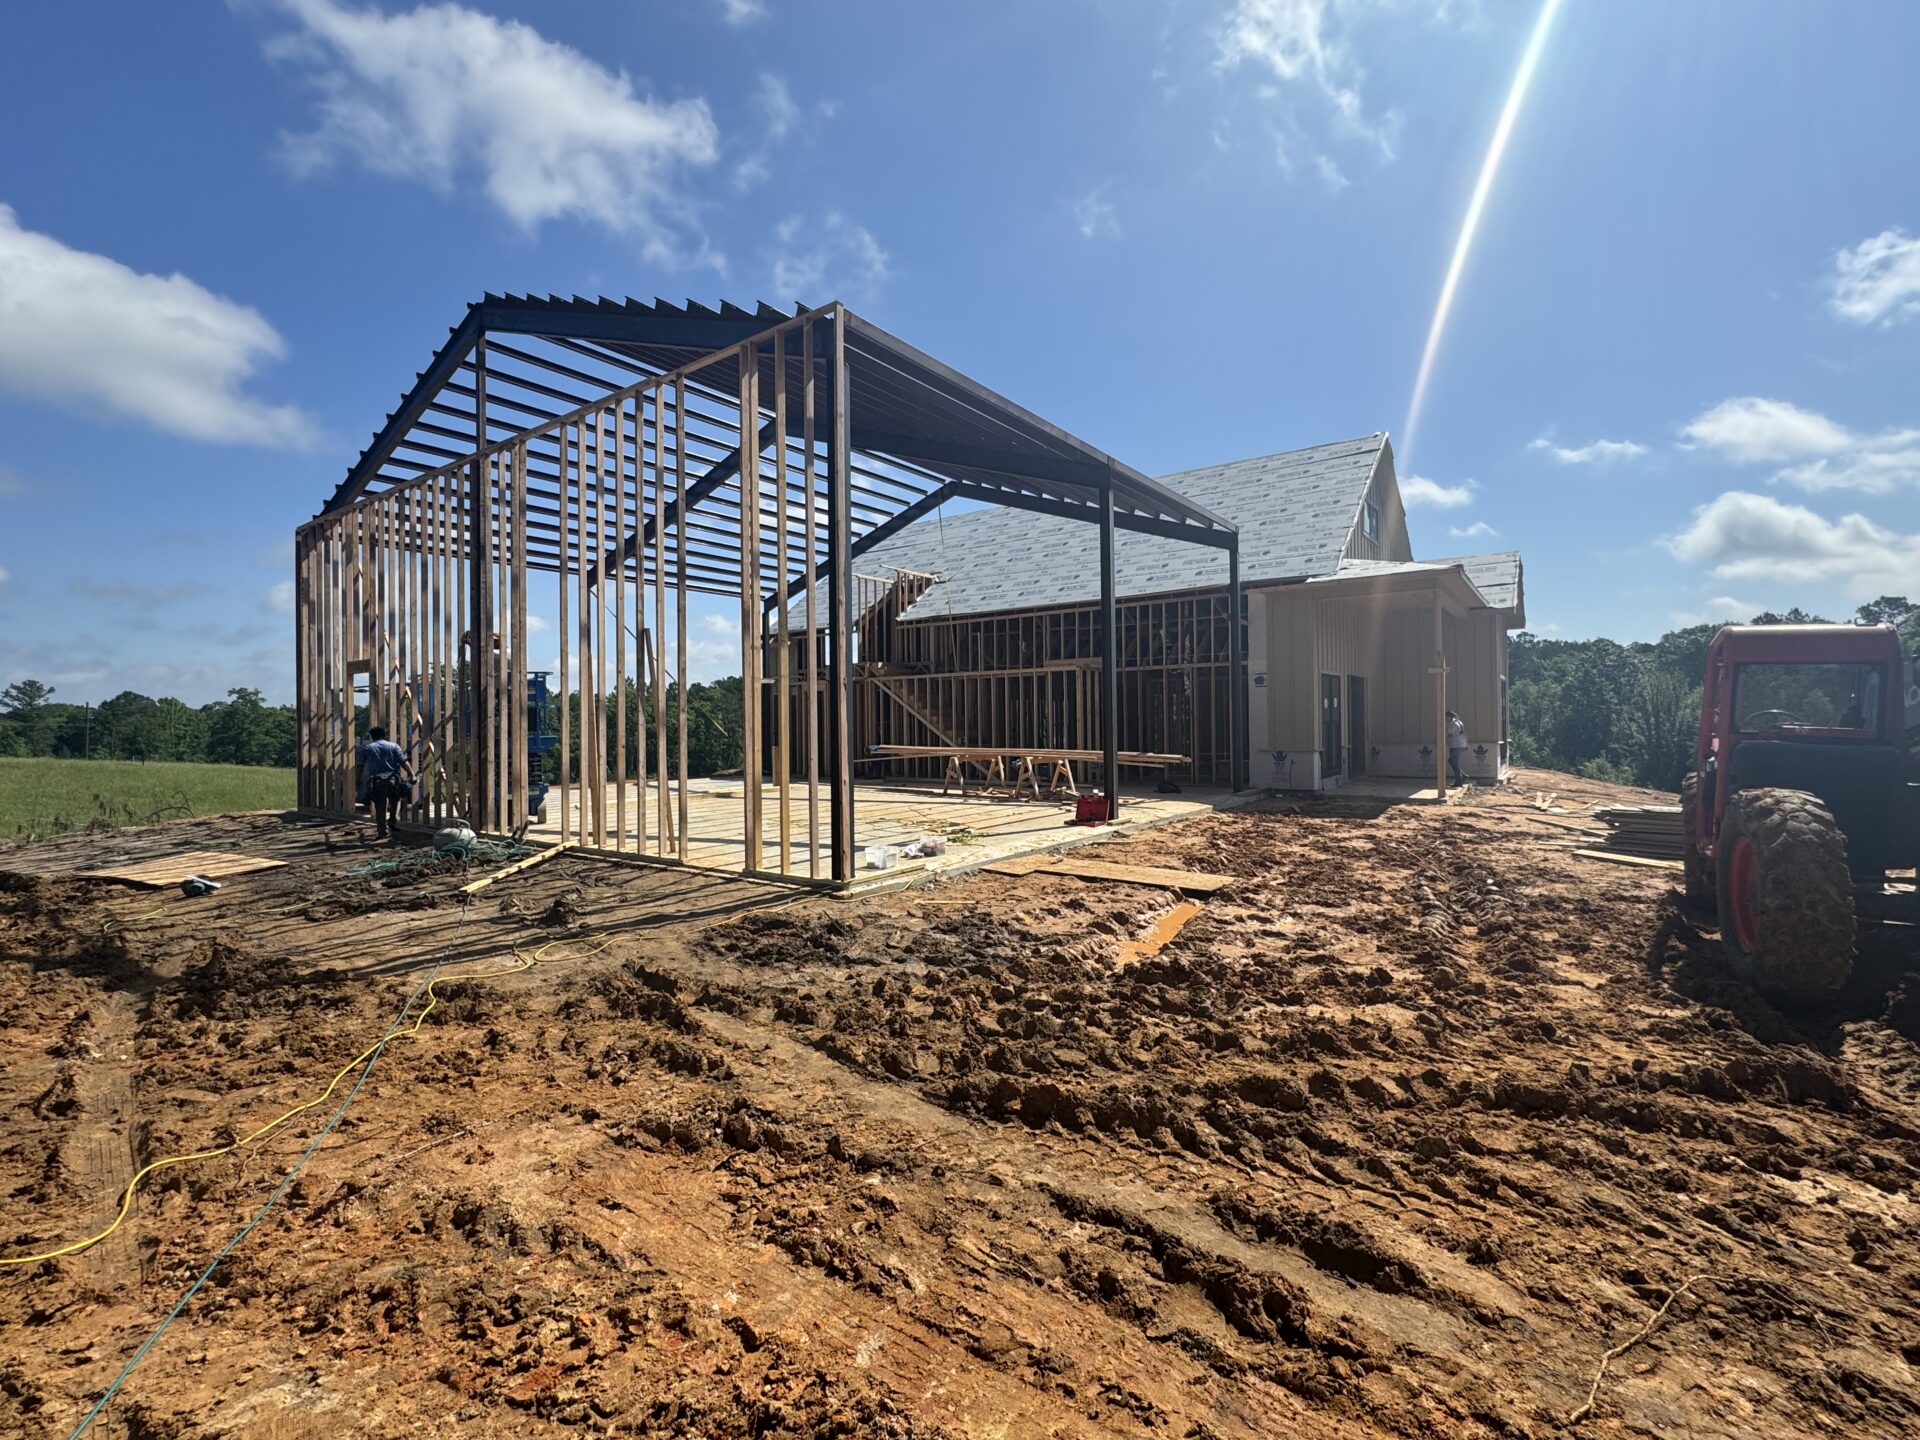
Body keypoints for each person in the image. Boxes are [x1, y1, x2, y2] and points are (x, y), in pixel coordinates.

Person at [361, 726, 412, 841]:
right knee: (395, 801)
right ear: (384, 735)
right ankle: (392, 823)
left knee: (380, 806)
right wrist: (412, 775)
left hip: (377, 781)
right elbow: (404, 762)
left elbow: (360, 765)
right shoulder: (394, 746)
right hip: (392, 779)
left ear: (372, 736)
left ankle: (381, 831)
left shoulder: (368, 748)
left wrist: (358, 779)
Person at [1445, 709, 1469, 786]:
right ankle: (1463, 776)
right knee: (1452, 761)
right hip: (1461, 744)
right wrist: (1466, 744)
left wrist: (1443, 740)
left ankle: (1459, 781)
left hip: (1455, 745)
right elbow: (1463, 734)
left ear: (1449, 717)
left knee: (1454, 763)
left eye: (1446, 717)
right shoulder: (1459, 722)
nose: (1445, 719)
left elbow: (1450, 735)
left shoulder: (1452, 724)